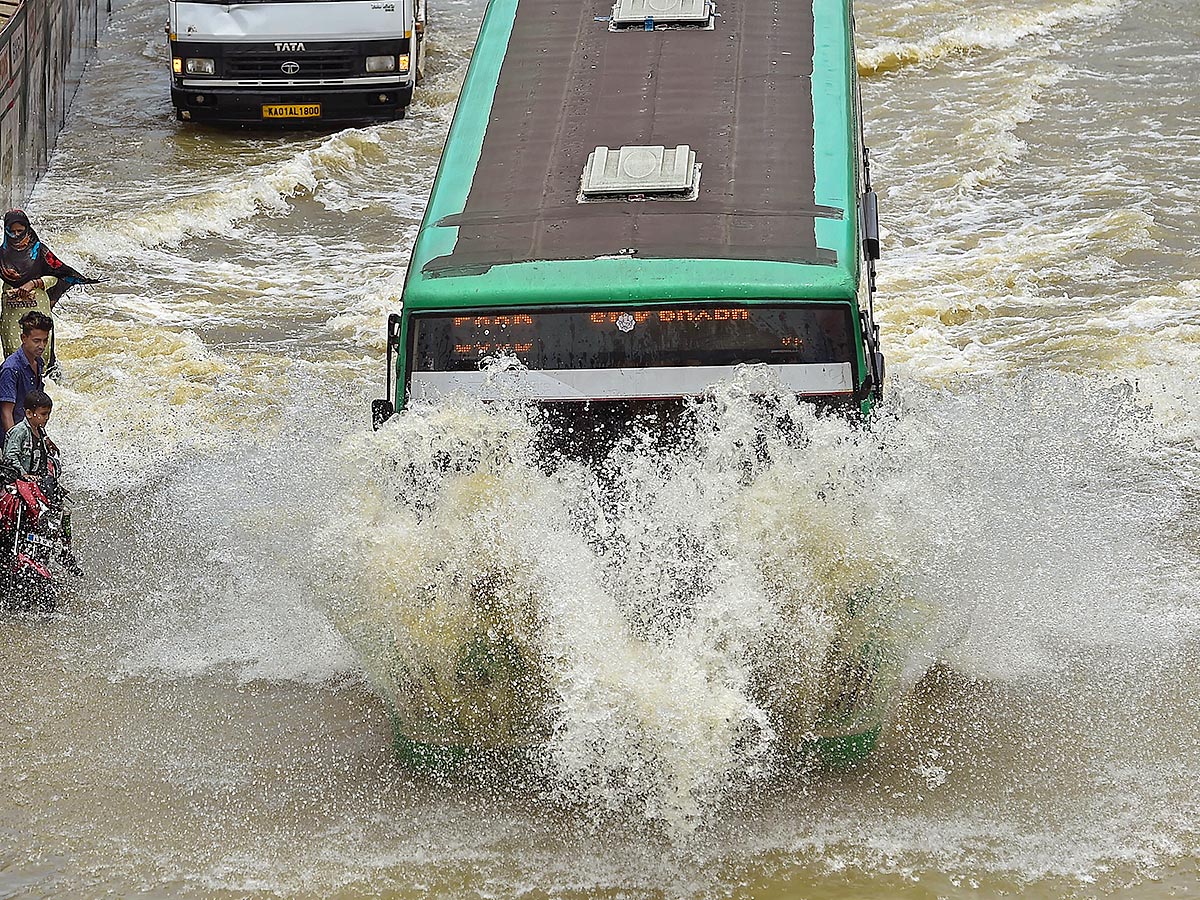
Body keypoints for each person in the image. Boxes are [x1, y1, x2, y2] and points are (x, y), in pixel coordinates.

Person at [0, 209, 100, 362]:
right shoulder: (1, 255)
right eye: (11, 232)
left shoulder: (40, 252)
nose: (16, 235)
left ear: (27, 229)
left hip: (38, 310)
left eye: (20, 231)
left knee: (41, 355)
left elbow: (57, 276)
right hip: (11, 314)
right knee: (15, 358)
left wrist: (34, 283)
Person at [1, 388, 82, 577]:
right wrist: (23, 475)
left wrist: (48, 443)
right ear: (29, 413)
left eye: (48, 414)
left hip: (39, 484)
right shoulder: (19, 432)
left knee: (61, 513)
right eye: (44, 414)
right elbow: (9, 457)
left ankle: (64, 551)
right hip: (21, 485)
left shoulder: (39, 430)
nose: (46, 418)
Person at [0, 311, 54, 444]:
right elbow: (6, 413)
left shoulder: (39, 362)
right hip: (11, 438)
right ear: (24, 338)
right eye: (36, 341)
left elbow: (37, 407)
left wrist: (44, 437)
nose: (42, 346)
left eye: (45, 340)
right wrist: (14, 447)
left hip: (28, 435)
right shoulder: (11, 369)